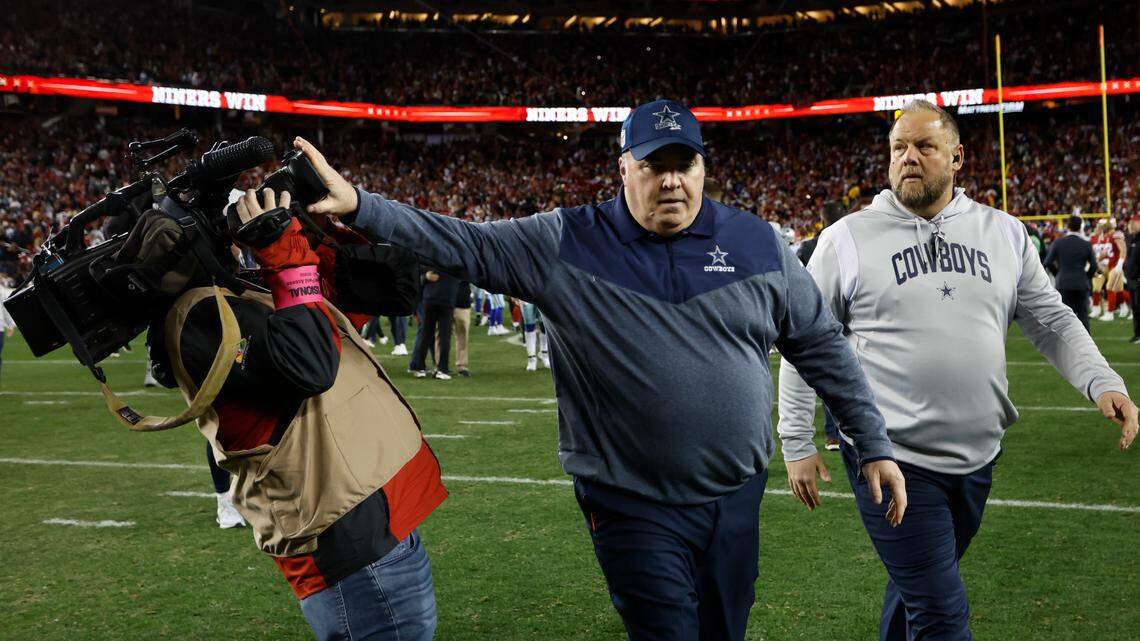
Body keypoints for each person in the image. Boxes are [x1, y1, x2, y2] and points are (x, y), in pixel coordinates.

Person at [292, 98, 907, 641]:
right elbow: (466, 243)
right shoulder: (566, 242)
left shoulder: (758, 243)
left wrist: (872, 441)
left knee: (726, 626)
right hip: (630, 502)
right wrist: (362, 206)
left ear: (703, 167)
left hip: (735, 497)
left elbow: (822, 345)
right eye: (653, 166)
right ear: (623, 169)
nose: (671, 181)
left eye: (683, 164)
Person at [777, 100, 1137, 641]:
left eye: (924, 146)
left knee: (917, 591)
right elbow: (806, 340)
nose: (909, 158)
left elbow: (1052, 321)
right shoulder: (846, 238)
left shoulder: (1004, 233)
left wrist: (1102, 380)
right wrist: (796, 441)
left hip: (977, 456)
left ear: (957, 156)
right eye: (899, 148)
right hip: (889, 457)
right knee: (942, 615)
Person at [122, 187, 447, 641]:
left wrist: (315, 229)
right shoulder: (200, 318)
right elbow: (314, 364)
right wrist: (285, 256)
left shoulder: (231, 295)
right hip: (348, 539)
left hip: (369, 521)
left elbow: (369, 296)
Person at [795, 201, 849, 451]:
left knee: (828, 373)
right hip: (850, 316)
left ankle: (833, 434)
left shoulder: (808, 246)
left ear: (821, 217)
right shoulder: (852, 240)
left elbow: (796, 279)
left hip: (816, 316)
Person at [1043, 215, 1098, 331]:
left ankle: (1066, 346)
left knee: (1065, 318)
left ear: (1068, 226)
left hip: (1063, 283)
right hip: (1081, 284)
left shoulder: (1058, 243)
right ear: (1080, 228)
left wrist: (1058, 273)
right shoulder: (1086, 244)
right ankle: (1086, 347)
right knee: (1083, 316)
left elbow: (1047, 262)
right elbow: (1094, 266)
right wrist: (1086, 277)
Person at [409, 268, 458, 380]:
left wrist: (425, 277)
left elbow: (418, 278)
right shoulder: (455, 259)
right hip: (444, 300)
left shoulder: (431, 256)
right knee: (443, 337)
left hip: (431, 299)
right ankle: (442, 369)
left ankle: (420, 368)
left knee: (426, 335)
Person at [1124, 215, 1140, 342]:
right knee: (1135, 308)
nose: (1131, 225)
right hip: (1131, 279)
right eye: (1130, 223)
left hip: (1139, 279)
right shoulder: (1131, 239)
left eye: (1134, 223)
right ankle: (1137, 334)